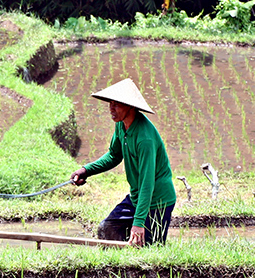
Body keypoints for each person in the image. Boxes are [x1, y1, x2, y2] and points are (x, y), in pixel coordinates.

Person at [70, 78, 176, 246]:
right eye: (110, 103)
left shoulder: (145, 139)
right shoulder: (121, 125)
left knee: (149, 250)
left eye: (117, 104)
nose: (111, 108)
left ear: (131, 106)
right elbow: (114, 155)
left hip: (157, 202)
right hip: (137, 197)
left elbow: (147, 184)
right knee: (107, 229)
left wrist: (139, 222)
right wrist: (86, 170)